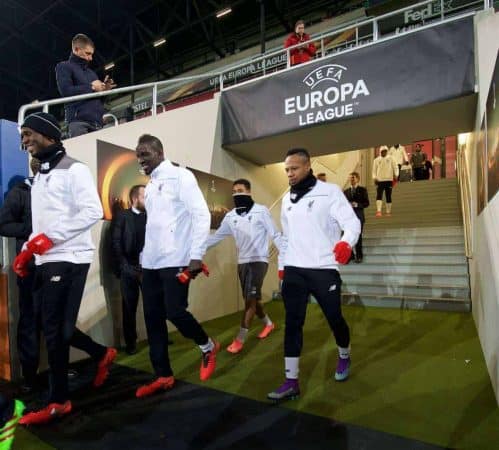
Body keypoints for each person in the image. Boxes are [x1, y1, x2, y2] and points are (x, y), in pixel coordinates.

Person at [16, 112, 117, 425]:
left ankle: (59, 401)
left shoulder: (75, 169)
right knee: (55, 328)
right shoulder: (41, 176)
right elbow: (41, 223)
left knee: (55, 330)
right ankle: (101, 355)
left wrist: (49, 239)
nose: (25, 140)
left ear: (48, 134)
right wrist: (25, 251)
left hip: (71, 257)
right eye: (22, 136)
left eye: (29, 133)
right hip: (46, 258)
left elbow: (93, 211)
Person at [267, 148, 360, 402]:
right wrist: (283, 266)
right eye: (286, 169)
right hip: (295, 270)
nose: (289, 174)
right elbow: (286, 238)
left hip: (324, 268)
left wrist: (346, 243)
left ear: (308, 167)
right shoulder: (287, 199)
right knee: (293, 324)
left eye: (294, 168)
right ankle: (291, 381)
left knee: (334, 318)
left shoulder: (329, 192)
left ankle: (344, 354)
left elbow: (352, 223)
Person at [134, 134, 219, 398]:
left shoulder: (182, 177)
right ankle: (163, 375)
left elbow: (201, 215)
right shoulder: (150, 185)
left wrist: (196, 255)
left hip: (176, 261)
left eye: (145, 154)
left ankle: (207, 346)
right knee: (153, 320)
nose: (141, 160)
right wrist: (143, 258)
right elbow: (155, 226)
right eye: (138, 156)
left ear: (159, 152)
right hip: (150, 264)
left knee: (175, 312)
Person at [206, 179, 281, 354]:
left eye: (240, 190)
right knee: (252, 298)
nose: (236, 194)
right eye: (234, 191)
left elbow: (275, 235)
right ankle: (269, 324)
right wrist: (194, 251)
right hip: (242, 263)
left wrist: (285, 259)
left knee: (249, 301)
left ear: (249, 192)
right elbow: (215, 238)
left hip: (259, 261)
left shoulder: (261, 211)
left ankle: (239, 339)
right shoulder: (230, 217)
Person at [0, 158, 40, 393]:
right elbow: (3, 225)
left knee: (53, 318)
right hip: (29, 267)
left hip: (54, 264)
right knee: (29, 319)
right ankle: (30, 375)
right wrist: (32, 231)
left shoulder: (55, 191)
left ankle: (57, 366)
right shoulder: (19, 193)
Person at [55, 33, 116, 138]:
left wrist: (104, 91)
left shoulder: (92, 73)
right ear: (76, 50)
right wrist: (92, 87)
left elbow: (98, 99)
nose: (91, 58)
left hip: (98, 123)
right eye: (88, 53)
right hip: (78, 122)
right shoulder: (64, 67)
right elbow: (65, 91)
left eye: (91, 54)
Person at [111, 185, 146, 355]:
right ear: (135, 199)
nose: (148, 200)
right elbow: (116, 242)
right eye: (144, 196)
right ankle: (131, 342)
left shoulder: (151, 218)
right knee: (129, 308)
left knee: (154, 306)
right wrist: (124, 266)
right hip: (129, 268)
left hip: (148, 268)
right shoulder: (123, 216)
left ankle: (157, 337)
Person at [343, 172, 369, 263]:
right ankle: (350, 256)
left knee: (358, 236)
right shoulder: (345, 191)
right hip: (348, 218)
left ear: (358, 179)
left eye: (353, 178)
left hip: (358, 217)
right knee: (348, 236)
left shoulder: (363, 190)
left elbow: (366, 203)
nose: (351, 179)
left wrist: (357, 204)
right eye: (350, 178)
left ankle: (359, 256)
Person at [372, 146, 399, 217]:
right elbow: (374, 171)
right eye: (382, 151)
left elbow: (395, 167)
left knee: (388, 196)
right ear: (380, 152)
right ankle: (378, 211)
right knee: (379, 195)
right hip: (379, 180)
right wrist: (374, 178)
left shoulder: (391, 158)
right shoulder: (376, 160)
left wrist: (396, 174)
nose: (384, 152)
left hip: (389, 180)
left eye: (385, 151)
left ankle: (388, 212)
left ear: (387, 151)